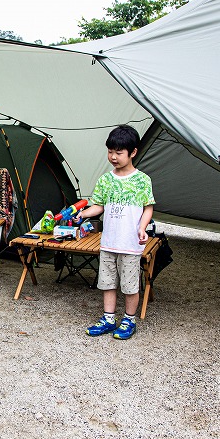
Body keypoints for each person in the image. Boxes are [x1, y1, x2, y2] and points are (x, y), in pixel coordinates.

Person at [73, 124, 155, 340]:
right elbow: (98, 205)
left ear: (133, 152)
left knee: (129, 285)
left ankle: (129, 320)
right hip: (109, 242)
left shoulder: (142, 180)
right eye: (110, 152)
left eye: (119, 153)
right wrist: (83, 214)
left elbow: (148, 207)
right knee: (107, 282)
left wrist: (141, 227)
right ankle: (109, 318)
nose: (113, 157)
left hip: (130, 244)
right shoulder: (106, 180)